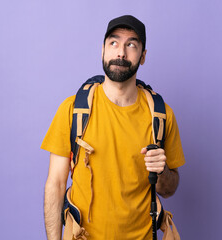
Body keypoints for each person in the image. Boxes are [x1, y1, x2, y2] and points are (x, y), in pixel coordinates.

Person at [41, 15, 185, 240]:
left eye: (131, 45)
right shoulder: (72, 110)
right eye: (114, 43)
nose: (121, 53)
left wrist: (162, 171)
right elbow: (56, 185)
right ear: (103, 50)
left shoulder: (162, 115)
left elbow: (169, 188)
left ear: (143, 56)